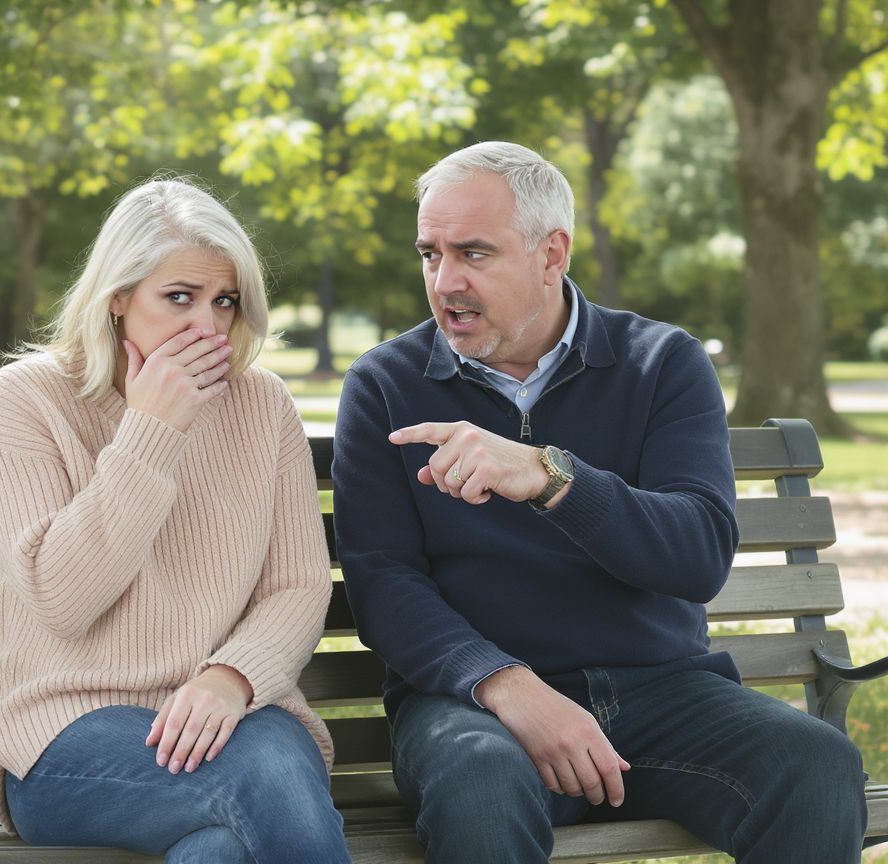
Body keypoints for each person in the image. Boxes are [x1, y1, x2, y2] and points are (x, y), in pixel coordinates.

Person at [332, 141, 867, 863]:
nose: (445, 280)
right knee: (481, 784)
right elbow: (383, 581)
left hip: (664, 694)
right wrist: (507, 686)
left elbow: (698, 555)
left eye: (474, 253)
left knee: (815, 765)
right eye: (431, 254)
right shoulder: (385, 383)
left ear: (551, 254)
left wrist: (554, 479)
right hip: (476, 705)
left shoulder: (662, 363)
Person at [0, 177, 352, 863]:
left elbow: (296, 586)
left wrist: (230, 678)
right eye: (179, 297)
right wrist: (151, 429)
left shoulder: (262, 405)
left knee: (222, 849)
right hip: (69, 732)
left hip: (237, 715)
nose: (207, 325)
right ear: (118, 297)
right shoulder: (27, 399)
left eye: (224, 301)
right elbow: (62, 599)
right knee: (264, 778)